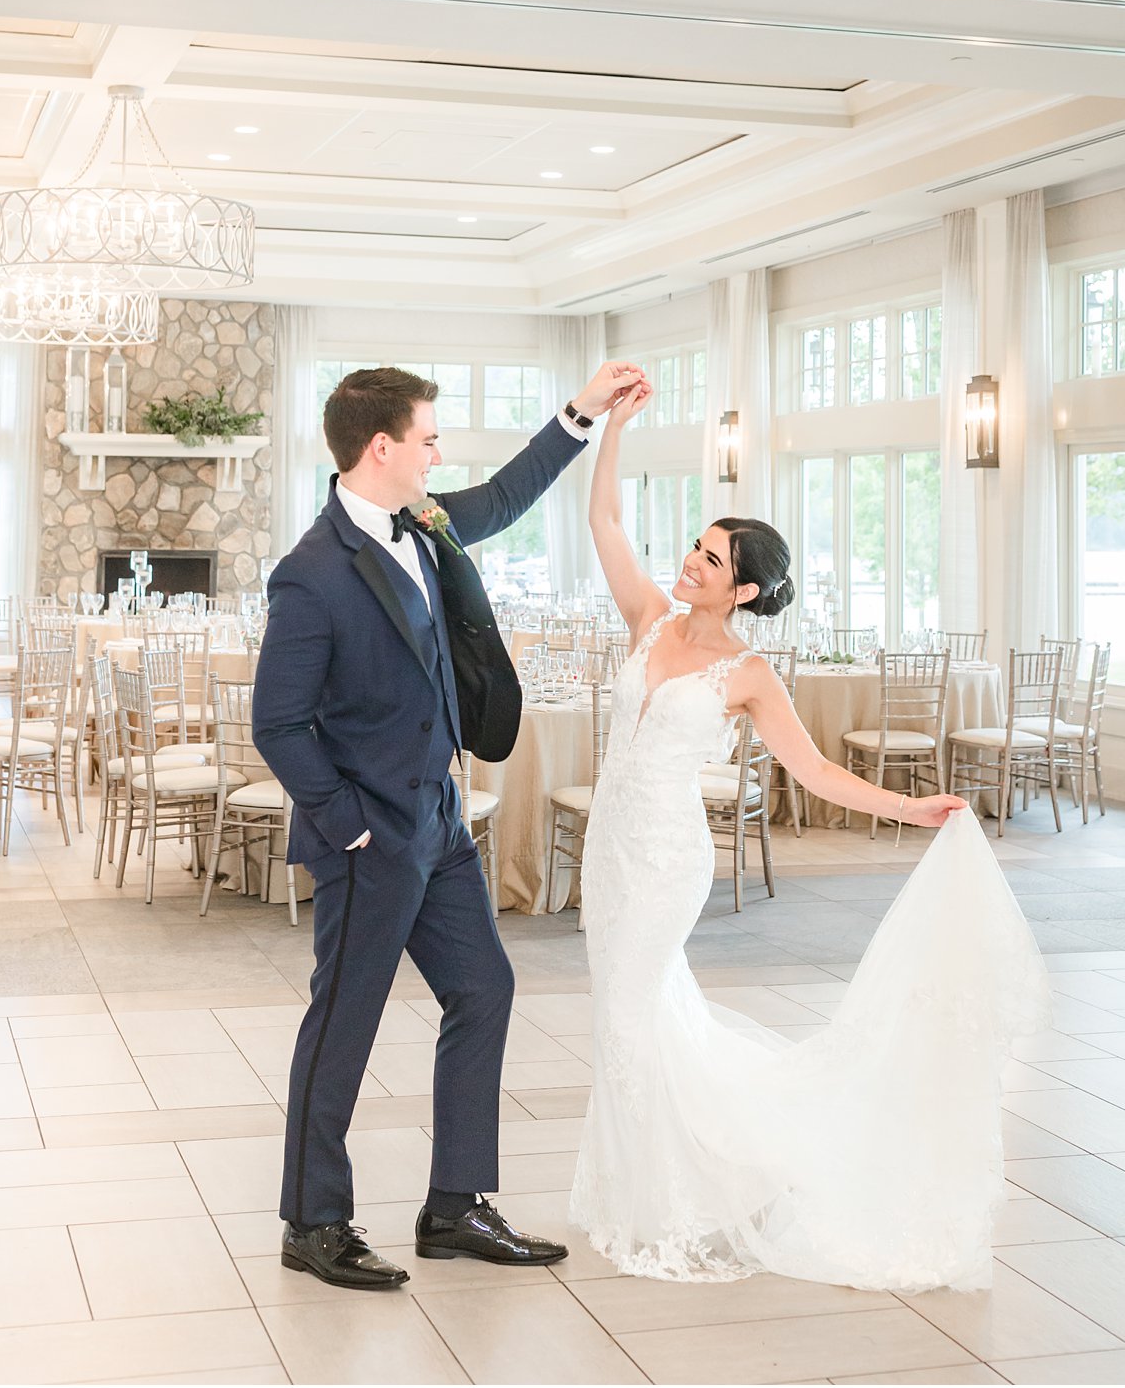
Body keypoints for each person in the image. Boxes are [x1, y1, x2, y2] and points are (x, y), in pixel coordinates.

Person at [571, 377, 1050, 1289]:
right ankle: (645, 1188)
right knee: (625, 1017)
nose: (689, 563)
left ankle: (672, 1203)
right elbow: (605, 527)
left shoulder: (749, 672)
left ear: (743, 588)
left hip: (670, 858)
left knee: (633, 1018)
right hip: (611, 849)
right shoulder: (648, 617)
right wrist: (613, 433)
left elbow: (816, 771)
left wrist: (913, 809)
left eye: (709, 560)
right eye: (694, 547)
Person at [253, 358, 647, 1291]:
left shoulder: (425, 525)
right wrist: (349, 825)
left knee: (485, 989)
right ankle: (313, 1220)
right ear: (381, 447)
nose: (440, 452)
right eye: (429, 438)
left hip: (440, 822)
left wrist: (581, 409)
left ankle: (455, 1204)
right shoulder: (309, 574)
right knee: (343, 1022)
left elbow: (508, 495)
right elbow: (277, 722)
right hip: (371, 840)